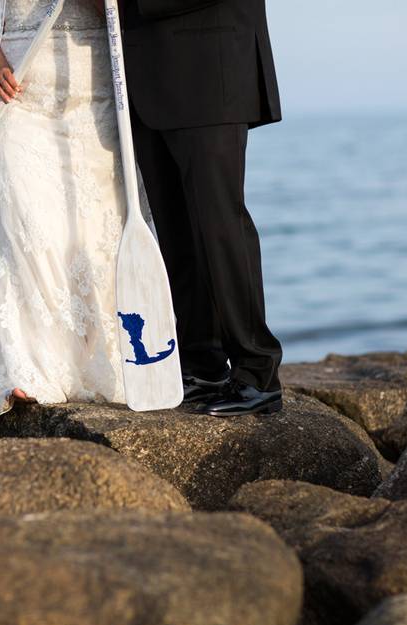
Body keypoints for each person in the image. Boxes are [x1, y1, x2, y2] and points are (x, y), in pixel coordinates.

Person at [0, 0, 146, 440]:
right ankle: (24, 366)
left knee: (94, 230)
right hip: (23, 92)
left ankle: (99, 361)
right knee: (29, 228)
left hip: (92, 90)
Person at [121, 0, 285, 415]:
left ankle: (257, 372)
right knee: (176, 230)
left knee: (220, 226)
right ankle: (202, 364)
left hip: (210, 71)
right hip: (146, 75)